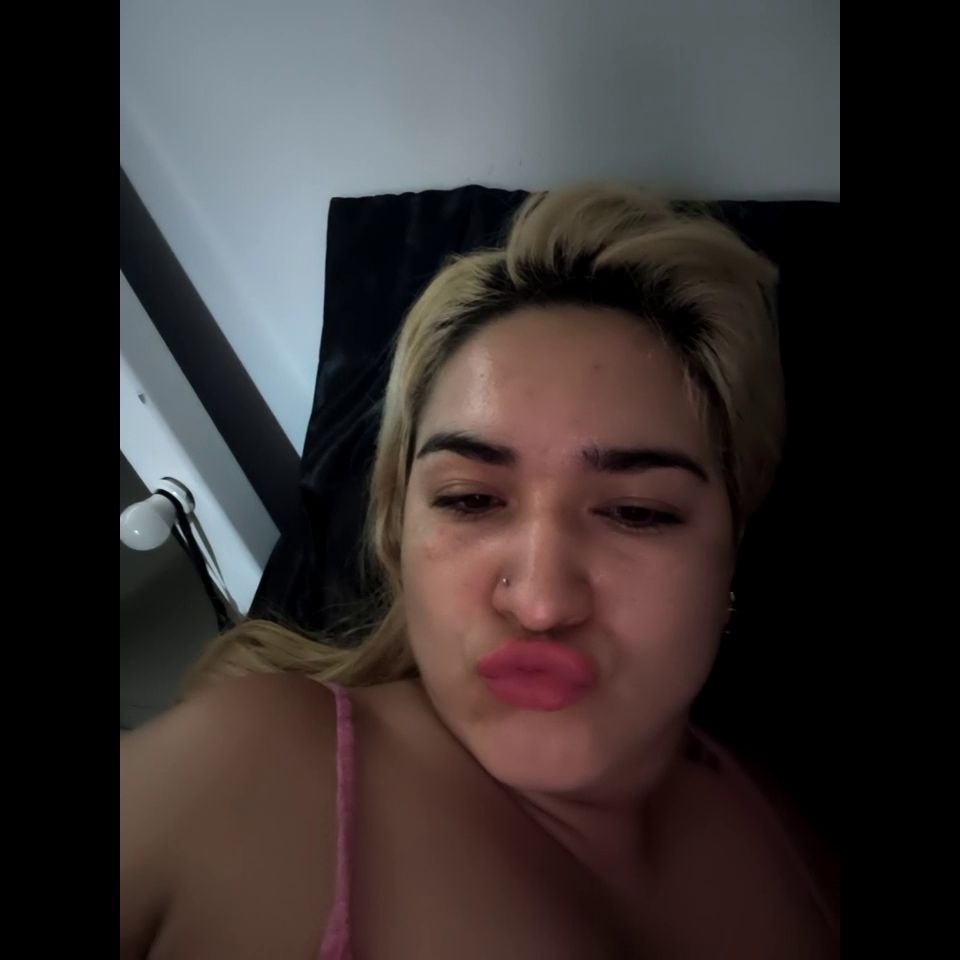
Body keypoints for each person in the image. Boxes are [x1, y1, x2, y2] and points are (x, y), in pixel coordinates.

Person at [120, 183, 838, 959]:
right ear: (396, 534)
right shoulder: (238, 775)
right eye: (469, 499)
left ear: (731, 550)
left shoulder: (791, 838)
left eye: (637, 512)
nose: (540, 603)